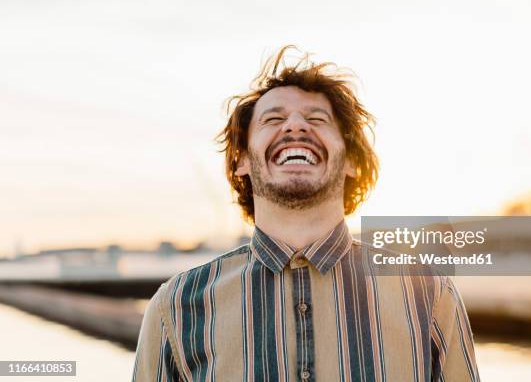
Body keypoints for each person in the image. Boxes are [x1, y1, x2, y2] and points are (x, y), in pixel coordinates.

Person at [132, 46, 480, 381]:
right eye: (273, 118)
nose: (296, 126)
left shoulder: (430, 294)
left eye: (317, 118)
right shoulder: (175, 307)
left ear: (351, 161)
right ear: (241, 161)